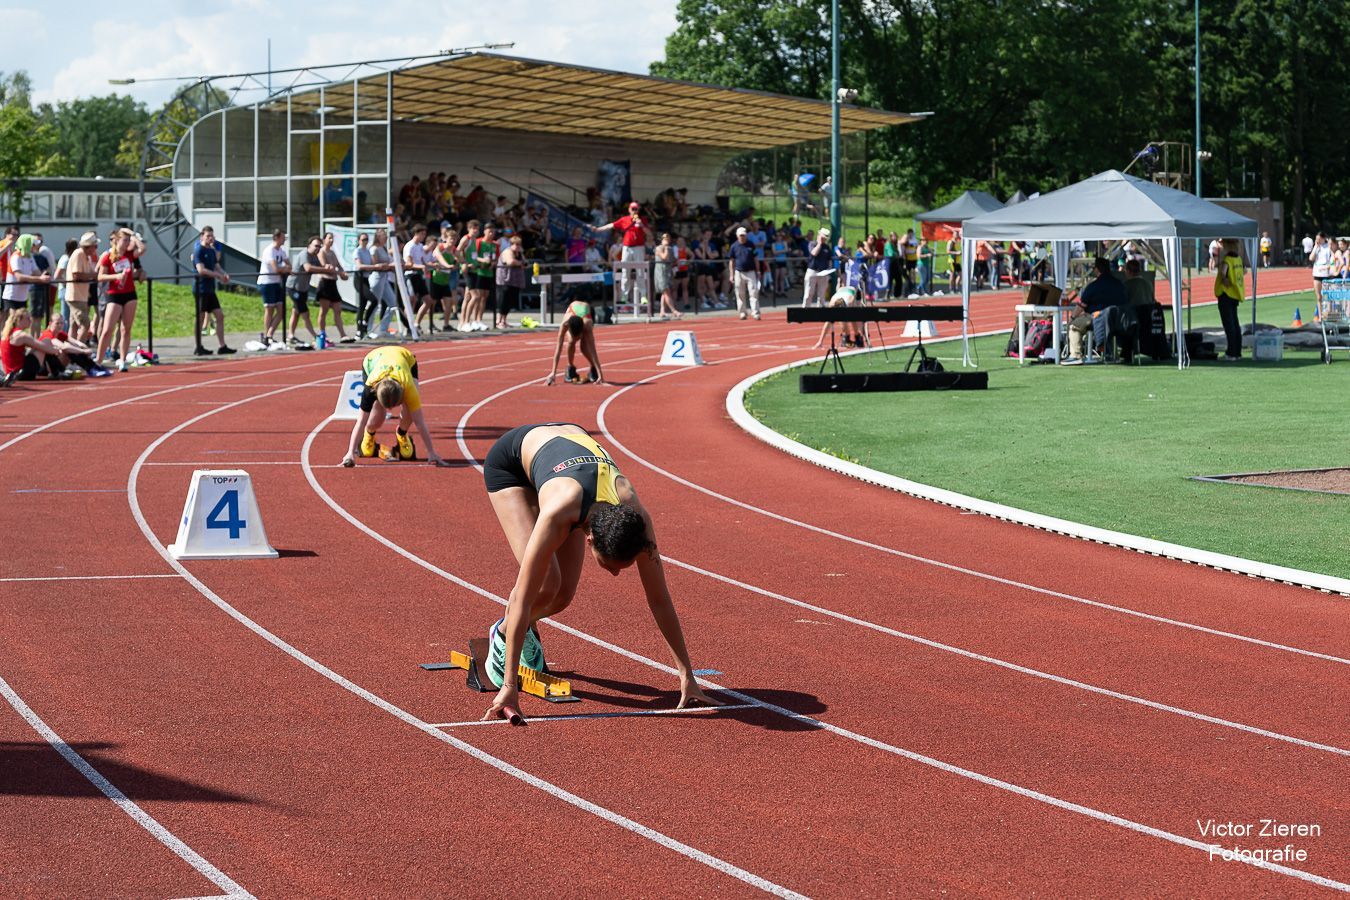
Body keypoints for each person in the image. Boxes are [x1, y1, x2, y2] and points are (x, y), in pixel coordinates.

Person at [480, 423, 718, 723]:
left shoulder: (637, 518)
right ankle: (501, 633)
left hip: (570, 450)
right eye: (611, 567)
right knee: (546, 583)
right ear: (589, 538)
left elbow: (659, 599)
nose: (617, 576)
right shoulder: (559, 511)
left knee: (564, 595)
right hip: (512, 465)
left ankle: (520, 629)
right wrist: (509, 688)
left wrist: (687, 676)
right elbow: (523, 597)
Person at [341, 345, 450, 467]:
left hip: (405, 357)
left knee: (411, 409)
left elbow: (420, 422)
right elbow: (361, 421)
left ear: (403, 393)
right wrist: (350, 452)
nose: (391, 410)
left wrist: (431, 452)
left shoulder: (408, 386)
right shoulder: (370, 387)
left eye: (395, 405)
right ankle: (369, 433)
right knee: (378, 415)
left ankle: (402, 433)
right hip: (373, 359)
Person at [92, 230, 144, 373]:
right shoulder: (108, 256)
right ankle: (99, 359)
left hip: (129, 294)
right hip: (114, 294)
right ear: (117, 241)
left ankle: (122, 359)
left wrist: (133, 235)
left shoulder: (129, 255)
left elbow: (142, 249)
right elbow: (100, 276)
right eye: (124, 240)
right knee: (107, 329)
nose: (127, 243)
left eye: (128, 241)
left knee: (125, 328)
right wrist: (116, 276)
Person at [1064, 257, 1127, 363]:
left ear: (1097, 269)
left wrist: (1072, 318)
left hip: (1097, 318)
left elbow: (1081, 306)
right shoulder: (1119, 284)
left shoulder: (1093, 286)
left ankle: (1076, 355)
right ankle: (1112, 354)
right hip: (1118, 320)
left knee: (1074, 326)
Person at [591, 201, 650, 312]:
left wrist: (641, 225)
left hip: (639, 247)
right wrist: (598, 229)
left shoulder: (643, 220)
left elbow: (649, 233)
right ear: (629, 210)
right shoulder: (624, 219)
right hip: (627, 247)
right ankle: (624, 296)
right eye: (632, 209)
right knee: (625, 272)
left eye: (636, 209)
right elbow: (611, 225)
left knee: (640, 272)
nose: (634, 211)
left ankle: (643, 296)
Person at [191, 226, 235, 355]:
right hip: (201, 288)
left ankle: (222, 346)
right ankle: (198, 346)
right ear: (202, 237)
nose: (210, 238)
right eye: (207, 236)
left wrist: (224, 274)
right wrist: (218, 275)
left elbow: (216, 265)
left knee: (219, 316)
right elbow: (201, 269)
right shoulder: (198, 250)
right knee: (200, 317)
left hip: (210, 289)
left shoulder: (211, 250)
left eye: (211, 236)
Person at [546, 299, 605, 385]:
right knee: (570, 341)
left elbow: (593, 351)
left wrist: (601, 376)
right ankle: (570, 367)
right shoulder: (564, 324)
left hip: (586, 310)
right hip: (573, 310)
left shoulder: (587, 324)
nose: (577, 338)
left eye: (579, 336)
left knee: (584, 347)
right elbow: (558, 349)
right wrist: (553, 372)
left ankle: (593, 368)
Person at [1, 308, 64, 384]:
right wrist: (58, 350)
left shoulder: (7, 333)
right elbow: (44, 347)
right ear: (19, 320)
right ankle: (58, 371)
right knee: (46, 341)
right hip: (20, 373)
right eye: (27, 318)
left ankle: (57, 371)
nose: (30, 321)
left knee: (39, 346)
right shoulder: (21, 335)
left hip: (10, 371)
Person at [39, 313, 111, 377]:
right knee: (68, 348)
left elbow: (76, 342)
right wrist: (83, 351)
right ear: (50, 324)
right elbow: (64, 347)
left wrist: (84, 347)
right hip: (45, 366)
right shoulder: (47, 334)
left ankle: (94, 367)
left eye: (62, 323)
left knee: (73, 347)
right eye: (57, 323)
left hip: (55, 362)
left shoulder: (59, 333)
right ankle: (90, 368)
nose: (60, 325)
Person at [315, 232, 353, 343]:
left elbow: (338, 266)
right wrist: (337, 271)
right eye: (329, 238)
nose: (331, 240)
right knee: (324, 311)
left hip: (333, 283)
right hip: (324, 283)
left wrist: (342, 273)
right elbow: (325, 266)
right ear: (324, 240)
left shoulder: (332, 252)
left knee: (338, 309)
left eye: (332, 238)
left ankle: (343, 334)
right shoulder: (321, 252)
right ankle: (323, 334)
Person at [258, 229, 291, 346]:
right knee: (269, 309)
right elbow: (275, 269)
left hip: (277, 283)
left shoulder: (281, 251)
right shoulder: (269, 250)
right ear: (276, 238)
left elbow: (289, 265)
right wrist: (283, 269)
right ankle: (267, 335)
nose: (284, 240)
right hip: (267, 282)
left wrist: (284, 269)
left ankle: (269, 334)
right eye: (283, 238)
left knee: (281, 311)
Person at [1214, 239, 1246, 361]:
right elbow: (1244, 271)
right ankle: (1237, 352)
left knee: (1229, 325)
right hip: (1235, 294)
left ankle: (1231, 352)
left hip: (1226, 294)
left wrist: (1224, 279)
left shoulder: (1227, 260)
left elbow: (1223, 272)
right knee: (1235, 324)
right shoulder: (1238, 259)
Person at [289, 236, 322, 347]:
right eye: (316, 246)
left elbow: (320, 266)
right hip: (294, 287)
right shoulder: (304, 254)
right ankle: (315, 336)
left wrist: (328, 267)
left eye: (319, 246)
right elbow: (308, 268)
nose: (318, 248)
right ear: (309, 245)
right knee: (305, 313)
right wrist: (326, 269)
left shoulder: (315, 256)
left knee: (296, 312)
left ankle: (290, 336)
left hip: (303, 288)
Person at [727, 226, 760, 320]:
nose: (743, 237)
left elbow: (756, 258)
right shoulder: (734, 246)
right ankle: (742, 312)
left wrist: (758, 270)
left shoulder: (751, 245)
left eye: (744, 235)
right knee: (740, 293)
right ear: (737, 236)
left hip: (750, 272)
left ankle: (755, 312)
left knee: (753, 293)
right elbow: (731, 261)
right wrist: (731, 274)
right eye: (741, 235)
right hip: (739, 272)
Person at [495, 233, 526, 329]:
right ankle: (498, 321)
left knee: (510, 301)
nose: (517, 247)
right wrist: (520, 263)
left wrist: (521, 261)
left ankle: (504, 320)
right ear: (511, 244)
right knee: (503, 301)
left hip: (515, 281)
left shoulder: (519, 253)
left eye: (519, 244)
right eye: (515, 244)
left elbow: (525, 262)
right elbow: (510, 261)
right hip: (505, 280)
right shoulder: (507, 251)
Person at [801, 227, 833, 307]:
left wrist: (829, 271)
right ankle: (805, 311)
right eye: (823, 237)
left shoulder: (827, 247)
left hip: (823, 273)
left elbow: (829, 260)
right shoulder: (812, 243)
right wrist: (819, 243)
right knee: (809, 293)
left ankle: (820, 311)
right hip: (812, 271)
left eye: (825, 238)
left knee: (821, 294)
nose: (824, 239)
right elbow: (814, 253)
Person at [652, 232, 679, 319]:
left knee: (665, 292)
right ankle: (673, 310)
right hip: (661, 272)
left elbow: (674, 260)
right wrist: (666, 248)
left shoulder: (670, 248)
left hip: (668, 271)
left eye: (668, 238)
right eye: (665, 238)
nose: (667, 240)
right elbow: (664, 257)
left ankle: (662, 311)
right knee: (666, 291)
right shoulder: (658, 248)